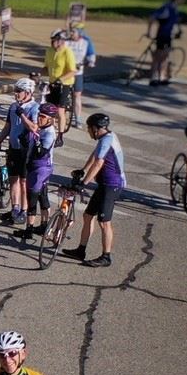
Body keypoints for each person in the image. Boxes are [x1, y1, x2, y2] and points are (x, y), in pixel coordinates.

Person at [63, 112, 125, 267]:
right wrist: (83, 170)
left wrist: (84, 183)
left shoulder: (106, 140)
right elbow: (95, 155)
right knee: (88, 215)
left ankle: (106, 257)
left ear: (95, 129)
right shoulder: (106, 137)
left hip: (112, 185)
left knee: (104, 222)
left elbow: (98, 163)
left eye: (89, 128)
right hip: (104, 184)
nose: (88, 131)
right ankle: (81, 250)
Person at [0, 77, 40, 226]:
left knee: (24, 181)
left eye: (19, 91)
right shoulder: (13, 106)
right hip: (13, 147)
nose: (16, 94)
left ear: (28, 92)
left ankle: (24, 211)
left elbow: (34, 128)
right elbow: (8, 126)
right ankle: (15, 209)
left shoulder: (34, 108)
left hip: (27, 150)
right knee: (13, 179)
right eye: (15, 91)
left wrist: (22, 115)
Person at [16, 104, 58, 240]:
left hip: (40, 169)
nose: (39, 118)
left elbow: (41, 153)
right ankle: (44, 226)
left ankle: (29, 230)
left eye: (43, 117)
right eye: (39, 115)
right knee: (42, 196)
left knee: (32, 198)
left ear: (50, 119)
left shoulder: (49, 133)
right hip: (41, 168)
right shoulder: (43, 129)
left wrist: (36, 142)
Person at [147, 0, 185, 86]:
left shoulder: (174, 8)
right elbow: (152, 18)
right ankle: (153, 77)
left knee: (165, 56)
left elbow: (175, 21)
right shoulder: (167, 7)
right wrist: (149, 32)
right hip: (162, 35)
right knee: (158, 56)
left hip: (168, 36)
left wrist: (178, 31)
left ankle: (162, 77)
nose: (183, 0)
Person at [43, 29, 76, 135]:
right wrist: (38, 75)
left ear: (62, 41)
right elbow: (46, 67)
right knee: (50, 109)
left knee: (60, 110)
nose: (53, 42)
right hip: (52, 83)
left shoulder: (67, 52)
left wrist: (60, 80)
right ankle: (51, 131)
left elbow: (72, 71)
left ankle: (60, 135)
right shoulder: (49, 51)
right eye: (52, 40)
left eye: (55, 40)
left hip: (64, 84)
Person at [66, 22, 95, 125]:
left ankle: (77, 118)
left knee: (77, 94)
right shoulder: (66, 42)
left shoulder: (86, 42)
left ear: (79, 33)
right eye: (70, 31)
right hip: (66, 72)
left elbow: (91, 54)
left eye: (73, 32)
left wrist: (91, 61)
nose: (71, 33)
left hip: (78, 72)